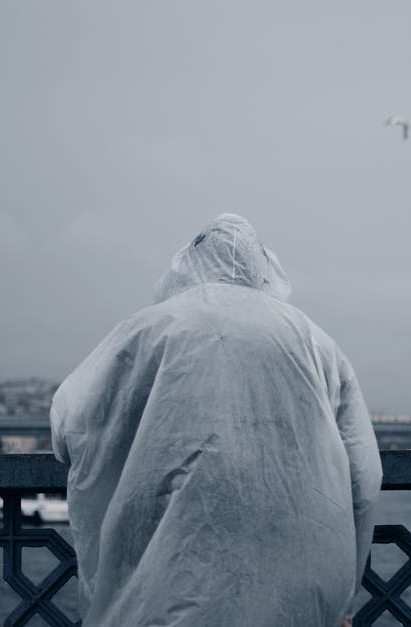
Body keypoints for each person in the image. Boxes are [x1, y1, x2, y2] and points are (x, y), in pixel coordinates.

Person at [49, 213, 382, 626]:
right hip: (298, 603)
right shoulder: (316, 342)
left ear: (187, 266)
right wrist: (345, 591)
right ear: (263, 271)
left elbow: (71, 420)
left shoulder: (148, 329)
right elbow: (364, 476)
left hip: (165, 596)